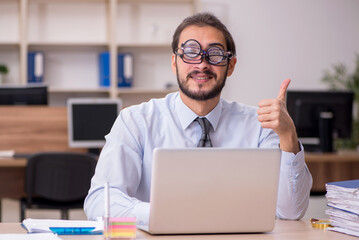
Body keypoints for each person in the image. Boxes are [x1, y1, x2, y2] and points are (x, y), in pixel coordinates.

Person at [84, 12, 312, 225]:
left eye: (214, 54)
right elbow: (99, 202)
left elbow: (291, 211)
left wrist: (288, 135)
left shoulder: (259, 125)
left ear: (230, 66)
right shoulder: (136, 121)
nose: (202, 64)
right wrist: (166, 213)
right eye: (191, 51)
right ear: (175, 62)